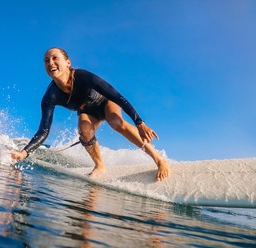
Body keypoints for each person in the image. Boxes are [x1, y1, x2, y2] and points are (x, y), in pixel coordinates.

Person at [11, 47, 170, 181]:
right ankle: (100, 165)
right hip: (87, 111)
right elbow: (43, 130)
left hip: (106, 102)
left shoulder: (83, 77)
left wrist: (139, 122)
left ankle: (159, 159)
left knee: (115, 122)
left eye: (54, 58)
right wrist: (23, 152)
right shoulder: (50, 96)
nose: (50, 62)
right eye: (46, 60)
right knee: (84, 132)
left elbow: (117, 97)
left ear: (68, 63)